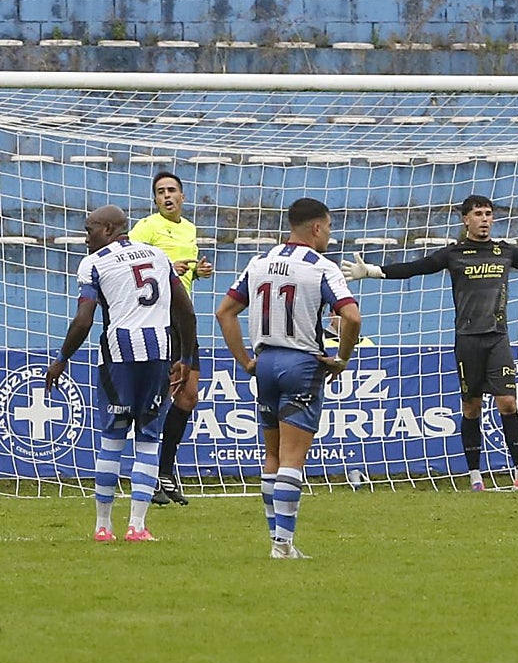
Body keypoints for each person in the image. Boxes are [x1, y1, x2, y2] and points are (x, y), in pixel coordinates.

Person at [341, 194, 518, 492]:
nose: (485, 219)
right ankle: (476, 477)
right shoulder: (453, 254)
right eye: (478, 213)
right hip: (467, 341)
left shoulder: (505, 252)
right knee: (471, 408)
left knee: (508, 403)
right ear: (466, 219)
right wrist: (372, 271)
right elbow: (415, 267)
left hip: (497, 337)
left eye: (488, 213)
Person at [215, 198, 361, 560]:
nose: (329, 234)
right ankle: (283, 545)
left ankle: (276, 541)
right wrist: (341, 358)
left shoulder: (259, 262)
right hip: (301, 364)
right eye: (328, 227)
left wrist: (246, 360)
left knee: (272, 455)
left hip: (265, 362)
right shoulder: (321, 268)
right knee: (293, 458)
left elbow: (224, 312)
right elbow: (352, 317)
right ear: (316, 227)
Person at [45, 205, 197, 543]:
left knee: (113, 438)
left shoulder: (94, 263)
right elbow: (185, 309)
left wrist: (61, 359)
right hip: (159, 353)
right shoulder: (158, 256)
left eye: (90, 229)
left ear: (111, 228)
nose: (86, 238)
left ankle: (103, 526)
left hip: (119, 356)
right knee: (147, 439)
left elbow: (84, 319)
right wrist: (185, 356)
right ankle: (138, 527)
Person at [129, 171, 214, 506]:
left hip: (184, 319)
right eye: (161, 192)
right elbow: (130, 263)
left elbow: (183, 273)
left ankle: (165, 471)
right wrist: (165, 267)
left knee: (188, 396)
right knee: (158, 397)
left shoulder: (190, 228)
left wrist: (197, 272)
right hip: (157, 320)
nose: (167, 196)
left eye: (172, 191)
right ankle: (147, 476)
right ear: (155, 200)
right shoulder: (146, 228)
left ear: (183, 196)